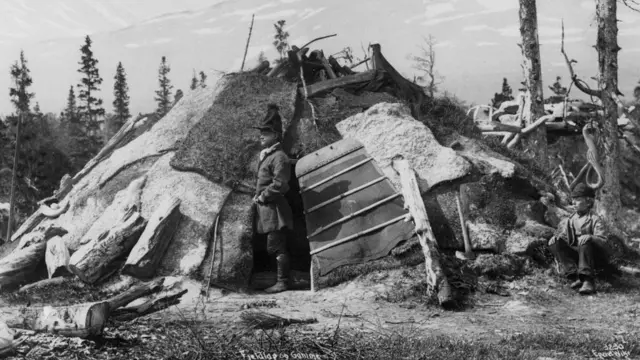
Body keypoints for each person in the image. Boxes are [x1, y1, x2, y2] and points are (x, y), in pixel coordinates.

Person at [251, 103, 294, 294]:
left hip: (275, 209)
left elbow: (280, 183)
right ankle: (282, 279)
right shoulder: (267, 156)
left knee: (276, 246)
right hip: (267, 210)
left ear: (276, 136)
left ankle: (283, 282)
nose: (261, 135)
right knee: (272, 246)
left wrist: (262, 196)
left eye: (266, 132)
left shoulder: (279, 157)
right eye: (261, 131)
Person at [548, 183, 609, 295]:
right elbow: (565, 237)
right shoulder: (571, 219)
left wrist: (591, 237)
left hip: (594, 258)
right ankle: (575, 276)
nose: (574, 203)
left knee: (585, 241)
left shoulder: (596, 219)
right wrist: (557, 239)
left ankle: (588, 281)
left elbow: (604, 242)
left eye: (578, 200)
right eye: (573, 200)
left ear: (588, 202)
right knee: (555, 242)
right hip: (579, 257)